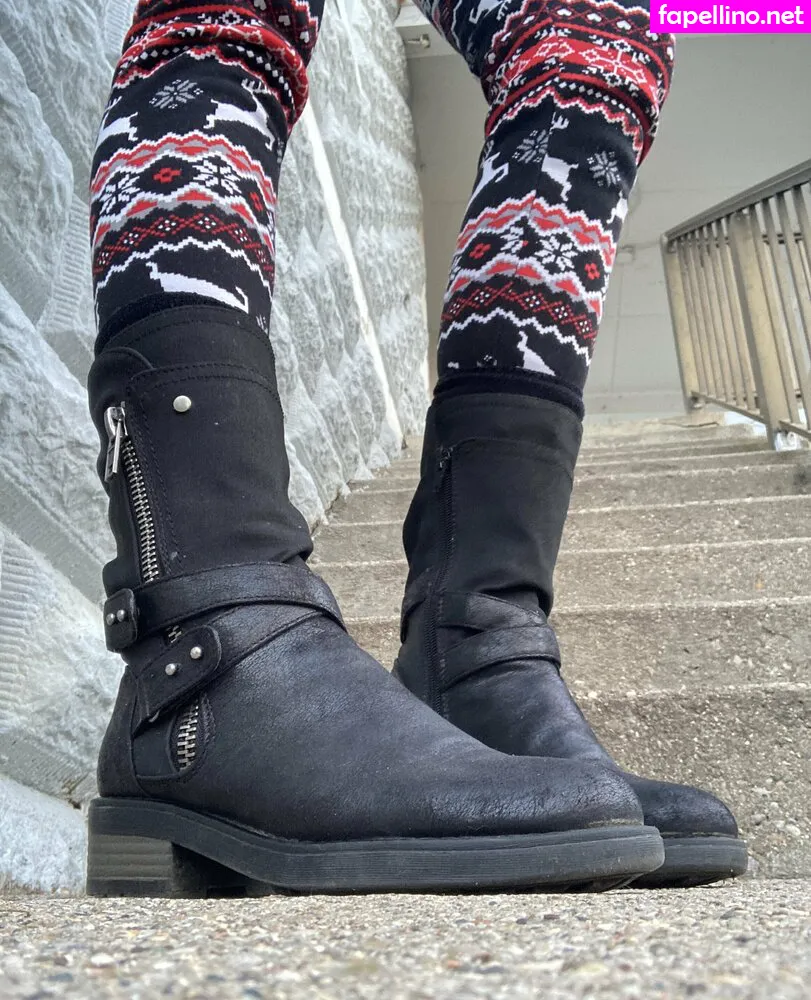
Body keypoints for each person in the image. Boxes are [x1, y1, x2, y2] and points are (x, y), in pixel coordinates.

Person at [85, 0, 745, 897]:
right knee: (229, 18)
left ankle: (476, 654)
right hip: (196, 659)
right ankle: (207, 660)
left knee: (593, 48)